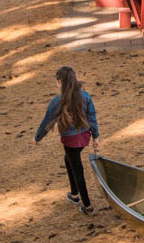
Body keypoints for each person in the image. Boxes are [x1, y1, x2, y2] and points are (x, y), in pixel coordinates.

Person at [33, 66, 101, 214]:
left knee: (77, 168)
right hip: (84, 137)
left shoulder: (57, 101)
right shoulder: (85, 96)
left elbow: (46, 122)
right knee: (68, 159)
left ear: (59, 82)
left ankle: (87, 205)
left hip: (70, 140)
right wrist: (95, 136)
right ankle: (74, 194)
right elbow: (92, 117)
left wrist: (37, 138)